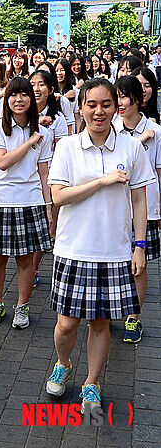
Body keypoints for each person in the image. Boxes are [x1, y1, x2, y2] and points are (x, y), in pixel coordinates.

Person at [45, 78, 151, 411]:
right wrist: (102, 181)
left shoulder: (131, 147)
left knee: (101, 322)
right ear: (81, 108)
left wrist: (139, 245)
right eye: (91, 104)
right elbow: (59, 196)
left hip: (114, 250)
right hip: (73, 248)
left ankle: (92, 381)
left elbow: (139, 198)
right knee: (66, 323)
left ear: (116, 106)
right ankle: (63, 363)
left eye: (106, 104)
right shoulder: (67, 147)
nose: (99, 111)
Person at [0, 77, 52, 330]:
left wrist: (49, 206)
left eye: (25, 95)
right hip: (0, 200)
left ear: (32, 99)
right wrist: (29, 141)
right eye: (13, 95)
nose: (19, 100)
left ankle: (22, 306)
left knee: (25, 260)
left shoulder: (44, 132)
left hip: (31, 200)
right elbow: (1, 162)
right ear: (6, 99)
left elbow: (44, 173)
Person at [114, 75, 161, 343]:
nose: (120, 103)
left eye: (124, 96)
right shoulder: (112, 129)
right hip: (117, 208)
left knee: (139, 266)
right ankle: (106, 315)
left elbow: (159, 170)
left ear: (138, 99)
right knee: (114, 262)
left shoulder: (155, 130)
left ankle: (134, 317)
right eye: (116, 97)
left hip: (146, 208)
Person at [29, 69, 67, 287]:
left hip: (49, 179)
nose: (36, 88)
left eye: (42, 84)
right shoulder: (21, 115)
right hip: (26, 177)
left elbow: (60, 150)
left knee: (47, 228)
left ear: (51, 90)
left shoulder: (58, 119)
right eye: (32, 84)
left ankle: (33, 268)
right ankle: (27, 266)